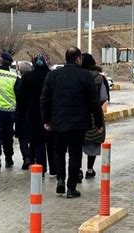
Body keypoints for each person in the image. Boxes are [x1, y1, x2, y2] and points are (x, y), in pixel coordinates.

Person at [41, 47, 104, 198]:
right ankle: (71, 188)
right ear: (78, 59)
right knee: (75, 155)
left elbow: (45, 99)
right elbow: (94, 102)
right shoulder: (85, 76)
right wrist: (99, 123)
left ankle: (60, 180)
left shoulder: (53, 75)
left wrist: (46, 120)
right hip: (79, 123)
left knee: (59, 151)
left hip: (58, 121)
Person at [19, 53, 55, 176]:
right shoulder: (52, 75)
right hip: (51, 113)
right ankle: (54, 169)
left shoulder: (28, 77)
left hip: (33, 114)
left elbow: (20, 95)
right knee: (51, 142)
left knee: (38, 142)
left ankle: (41, 169)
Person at [80, 53, 108, 180]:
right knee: (93, 142)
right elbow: (103, 98)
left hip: (78, 113)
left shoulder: (77, 76)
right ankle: (89, 169)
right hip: (94, 114)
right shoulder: (100, 78)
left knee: (77, 143)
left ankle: (78, 169)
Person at [15, 61, 33, 170]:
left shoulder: (19, 83)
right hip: (33, 114)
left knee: (22, 138)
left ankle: (26, 158)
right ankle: (33, 156)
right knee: (32, 137)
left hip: (21, 113)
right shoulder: (35, 82)